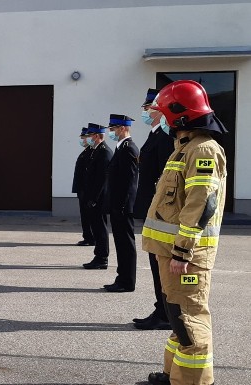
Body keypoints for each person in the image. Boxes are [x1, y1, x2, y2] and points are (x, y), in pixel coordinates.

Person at [143, 80, 228, 385]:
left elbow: (201, 202)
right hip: (172, 253)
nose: (161, 119)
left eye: (164, 113)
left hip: (187, 257)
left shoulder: (203, 149)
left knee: (189, 318)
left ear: (179, 116)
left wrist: (183, 250)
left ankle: (192, 382)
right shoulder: (185, 148)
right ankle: (172, 376)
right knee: (178, 314)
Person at [132, 88, 174, 331]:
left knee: (161, 263)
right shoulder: (155, 134)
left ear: (160, 110)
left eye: (149, 107)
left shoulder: (165, 138)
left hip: (160, 211)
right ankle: (161, 308)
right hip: (151, 209)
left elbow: (164, 179)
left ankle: (166, 313)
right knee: (156, 262)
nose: (146, 111)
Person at [103, 114, 140, 292]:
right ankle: (122, 277)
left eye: (114, 129)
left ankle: (127, 281)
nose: (111, 132)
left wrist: (124, 205)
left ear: (123, 128)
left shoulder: (129, 148)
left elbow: (129, 182)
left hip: (123, 206)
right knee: (120, 243)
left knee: (126, 243)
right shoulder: (121, 148)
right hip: (117, 204)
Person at [81, 123, 113, 270]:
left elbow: (102, 179)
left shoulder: (104, 152)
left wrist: (94, 199)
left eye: (89, 136)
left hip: (99, 198)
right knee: (96, 225)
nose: (87, 138)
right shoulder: (96, 150)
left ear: (96, 136)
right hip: (93, 197)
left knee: (100, 228)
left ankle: (102, 257)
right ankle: (98, 255)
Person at [73, 127, 95, 246]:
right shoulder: (86, 152)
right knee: (84, 216)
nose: (82, 140)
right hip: (82, 190)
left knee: (89, 216)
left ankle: (91, 237)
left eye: (83, 137)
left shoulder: (92, 152)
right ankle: (87, 236)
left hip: (87, 190)